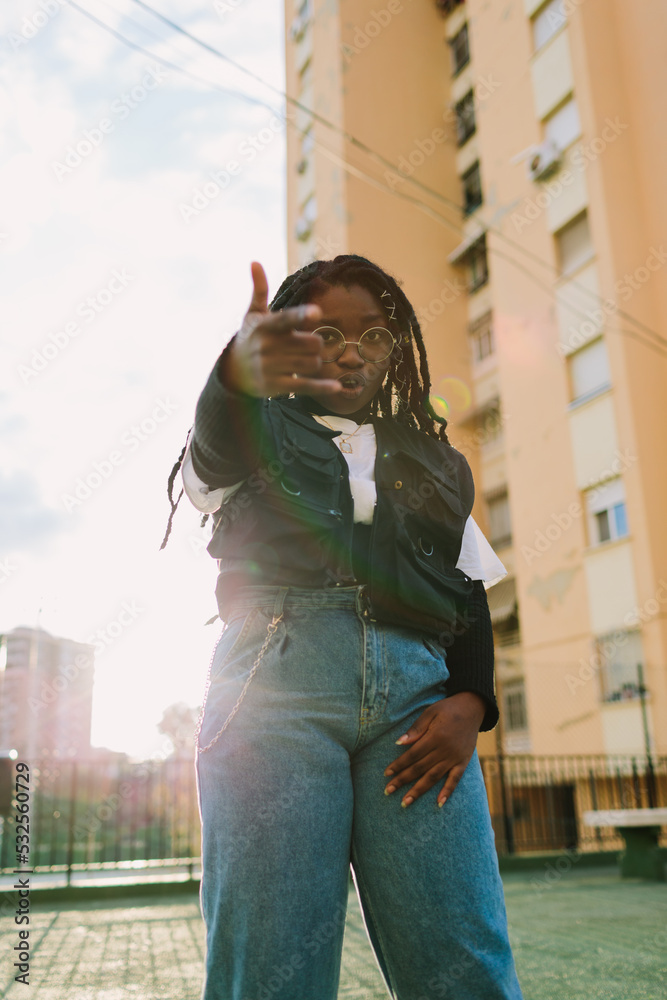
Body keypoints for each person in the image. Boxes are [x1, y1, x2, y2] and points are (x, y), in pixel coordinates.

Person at [162, 255, 523, 1000]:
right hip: (275, 689)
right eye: (325, 333)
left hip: (417, 708)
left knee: (461, 954)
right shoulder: (252, 423)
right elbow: (209, 459)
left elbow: (464, 586)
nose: (352, 352)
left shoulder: (436, 460)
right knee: (271, 959)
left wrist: (471, 700)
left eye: (373, 336)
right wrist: (235, 377)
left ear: (396, 351)